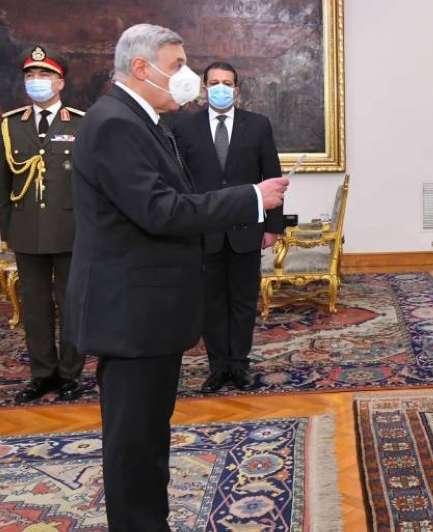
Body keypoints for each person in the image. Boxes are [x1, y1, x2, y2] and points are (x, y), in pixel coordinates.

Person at [64, 24, 289, 530]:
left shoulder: (142, 120)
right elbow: (161, 210)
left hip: (147, 315)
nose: (187, 77)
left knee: (147, 438)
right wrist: (250, 197)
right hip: (132, 316)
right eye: (178, 66)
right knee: (135, 444)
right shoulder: (115, 124)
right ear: (141, 68)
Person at [173, 61, 283, 393]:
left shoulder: (258, 125)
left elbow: (272, 178)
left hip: (246, 229)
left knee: (243, 300)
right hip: (203, 230)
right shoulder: (185, 127)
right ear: (205, 88)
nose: (220, 88)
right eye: (214, 82)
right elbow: (180, 181)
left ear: (236, 89)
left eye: (227, 83)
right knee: (211, 302)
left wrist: (273, 227)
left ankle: (239, 364)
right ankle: (218, 367)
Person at [0, 46, 85, 403]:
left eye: (45, 75)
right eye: (30, 75)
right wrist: (7, 230)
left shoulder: (81, 122)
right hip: (26, 229)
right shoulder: (10, 125)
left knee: (71, 304)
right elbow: (3, 184)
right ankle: (42, 374)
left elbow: (91, 182)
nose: (36, 81)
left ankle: (69, 374)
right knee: (34, 307)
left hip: (70, 229)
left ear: (60, 82)